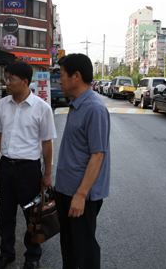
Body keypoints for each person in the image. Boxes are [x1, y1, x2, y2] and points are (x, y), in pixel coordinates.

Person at [0, 61, 57, 269]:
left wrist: (47, 173)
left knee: (33, 217)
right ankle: (6, 253)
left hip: (29, 170)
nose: (6, 83)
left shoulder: (42, 108)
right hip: (7, 167)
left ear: (25, 82)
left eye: (10, 79)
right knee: (5, 216)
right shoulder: (2, 105)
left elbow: (47, 143)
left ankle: (32, 257)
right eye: (5, 78)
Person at [55, 53, 111, 269]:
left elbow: (98, 155)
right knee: (68, 244)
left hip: (82, 196)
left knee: (85, 249)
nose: (59, 80)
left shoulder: (95, 108)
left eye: (62, 75)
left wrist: (80, 195)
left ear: (76, 76)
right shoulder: (76, 103)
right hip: (65, 190)